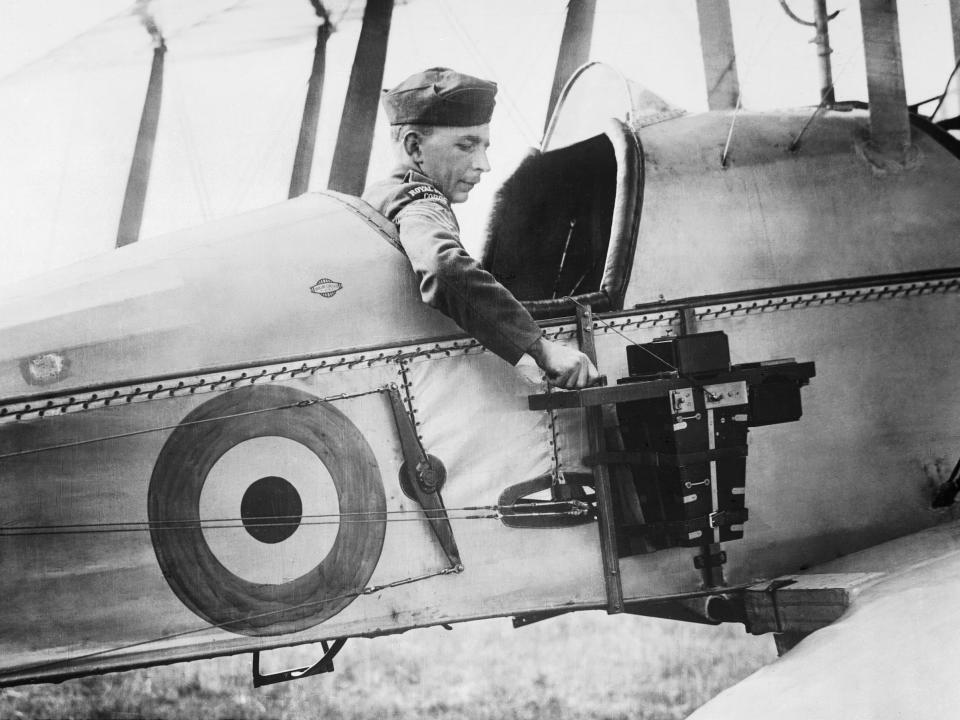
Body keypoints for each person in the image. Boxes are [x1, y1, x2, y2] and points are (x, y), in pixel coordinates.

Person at [362, 67, 598, 389]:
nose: (483, 165)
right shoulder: (419, 200)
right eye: (467, 145)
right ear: (415, 147)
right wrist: (543, 349)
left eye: (484, 147)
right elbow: (442, 267)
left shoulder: (377, 196)